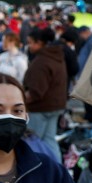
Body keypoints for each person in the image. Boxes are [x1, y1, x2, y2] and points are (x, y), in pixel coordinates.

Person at [23, 27, 68, 161]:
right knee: (49, 140)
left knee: (32, 142)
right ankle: (58, 169)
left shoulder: (42, 61)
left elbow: (36, 92)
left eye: (30, 42)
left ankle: (31, 170)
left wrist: (20, 101)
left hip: (41, 108)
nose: (29, 46)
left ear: (39, 43)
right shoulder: (55, 56)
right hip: (56, 105)